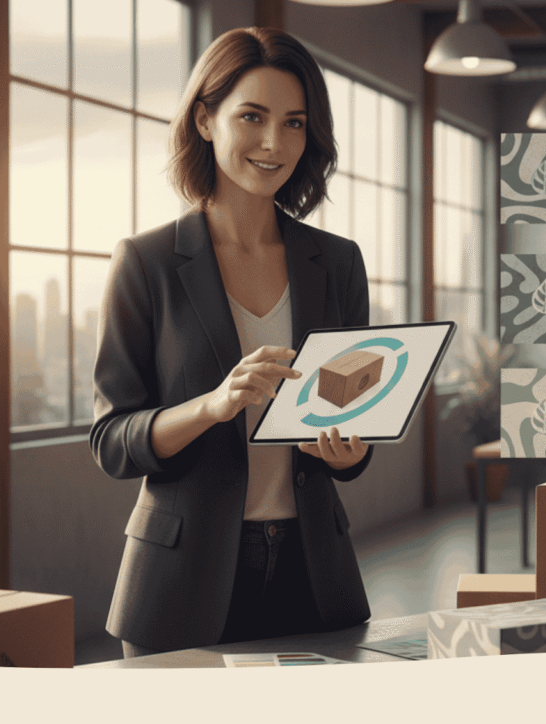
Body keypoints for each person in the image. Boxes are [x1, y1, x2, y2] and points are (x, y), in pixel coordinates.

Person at [89, 27, 372, 658]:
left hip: (314, 573)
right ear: (205, 120)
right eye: (253, 116)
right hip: (179, 583)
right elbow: (112, 443)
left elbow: (356, 442)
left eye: (295, 122)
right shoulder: (147, 262)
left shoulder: (337, 262)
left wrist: (346, 450)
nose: (276, 142)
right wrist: (213, 407)